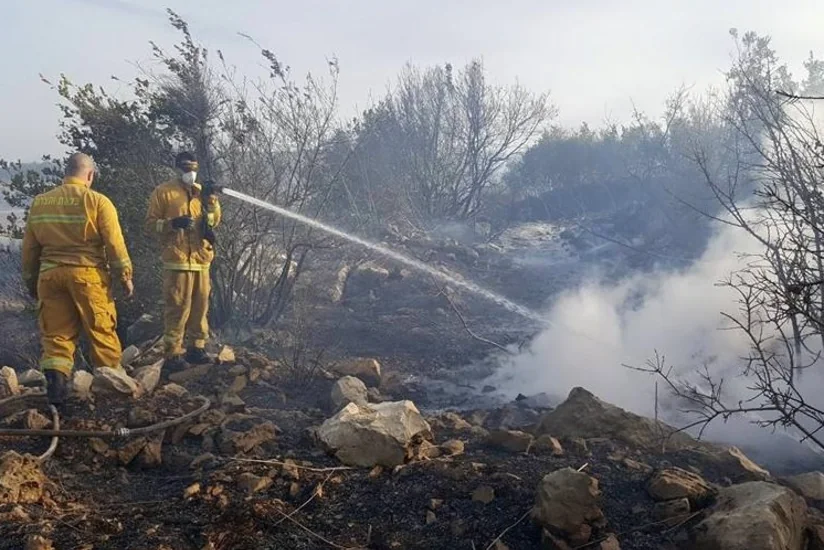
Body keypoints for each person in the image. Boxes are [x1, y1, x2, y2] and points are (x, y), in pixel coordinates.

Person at [21, 153, 134, 405]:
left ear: (66, 172)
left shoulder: (40, 203)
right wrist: (125, 276)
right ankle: (112, 392)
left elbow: (29, 250)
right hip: (88, 276)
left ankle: (57, 390)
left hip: (50, 277)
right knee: (101, 332)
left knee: (57, 336)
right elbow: (115, 245)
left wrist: (32, 283)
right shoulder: (98, 202)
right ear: (90, 175)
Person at [145, 152, 222, 372]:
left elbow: (214, 220)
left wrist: (211, 201)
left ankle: (196, 348)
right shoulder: (163, 193)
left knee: (200, 307)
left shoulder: (201, 193)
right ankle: (172, 353)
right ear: (178, 169)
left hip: (201, 259)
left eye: (194, 169)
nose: (191, 173)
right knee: (177, 308)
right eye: (187, 169)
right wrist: (172, 223)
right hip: (177, 260)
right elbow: (150, 225)